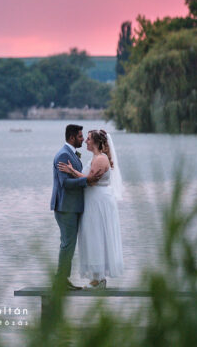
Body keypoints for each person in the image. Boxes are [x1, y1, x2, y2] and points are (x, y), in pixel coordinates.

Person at [58, 129, 124, 288]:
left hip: (98, 202)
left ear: (95, 142)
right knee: (92, 237)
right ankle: (96, 278)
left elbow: (91, 181)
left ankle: (99, 279)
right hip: (93, 201)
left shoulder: (100, 159)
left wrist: (71, 171)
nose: (85, 141)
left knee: (96, 236)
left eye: (88, 139)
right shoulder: (96, 157)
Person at [50, 124, 101, 290]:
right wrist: (86, 180)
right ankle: (61, 281)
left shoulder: (70, 154)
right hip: (66, 207)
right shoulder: (63, 155)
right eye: (80, 137)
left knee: (68, 244)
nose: (82, 139)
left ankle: (62, 280)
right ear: (72, 137)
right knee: (67, 244)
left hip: (72, 207)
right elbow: (64, 183)